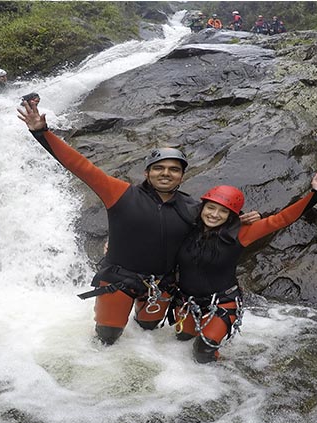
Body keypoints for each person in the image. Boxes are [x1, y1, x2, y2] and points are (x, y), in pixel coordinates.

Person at [17, 99, 260, 345]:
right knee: (107, 337)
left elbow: (216, 223)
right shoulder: (120, 194)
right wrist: (41, 132)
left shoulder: (193, 208)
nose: (166, 173)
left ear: (181, 176)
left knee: (148, 327)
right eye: (159, 168)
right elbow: (81, 167)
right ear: (147, 173)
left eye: (174, 169)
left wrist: (240, 219)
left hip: (161, 285)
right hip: (119, 280)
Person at [171, 167, 317, 363]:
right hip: (186, 301)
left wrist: (316, 194)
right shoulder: (187, 226)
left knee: (202, 352)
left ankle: (223, 380)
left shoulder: (241, 233)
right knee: (181, 341)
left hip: (221, 302)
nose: (214, 214)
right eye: (210, 208)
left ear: (231, 215)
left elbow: (280, 220)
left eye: (223, 211)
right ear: (202, 207)